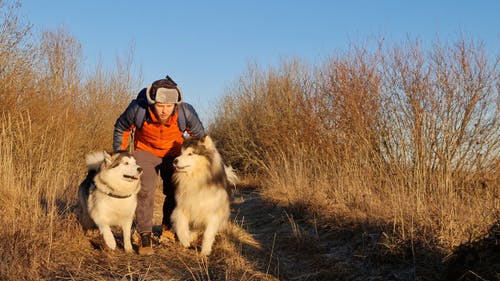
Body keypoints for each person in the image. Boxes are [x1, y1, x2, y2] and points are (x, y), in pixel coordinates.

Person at [113, 75, 205, 255]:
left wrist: (196, 162)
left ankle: (168, 227)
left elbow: (199, 139)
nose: (164, 111)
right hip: (145, 151)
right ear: (152, 102)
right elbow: (121, 127)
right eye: (160, 106)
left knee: (174, 189)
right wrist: (119, 154)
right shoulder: (138, 109)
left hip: (173, 153)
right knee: (145, 188)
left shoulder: (186, 112)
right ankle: (144, 234)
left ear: (175, 105)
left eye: (168, 106)